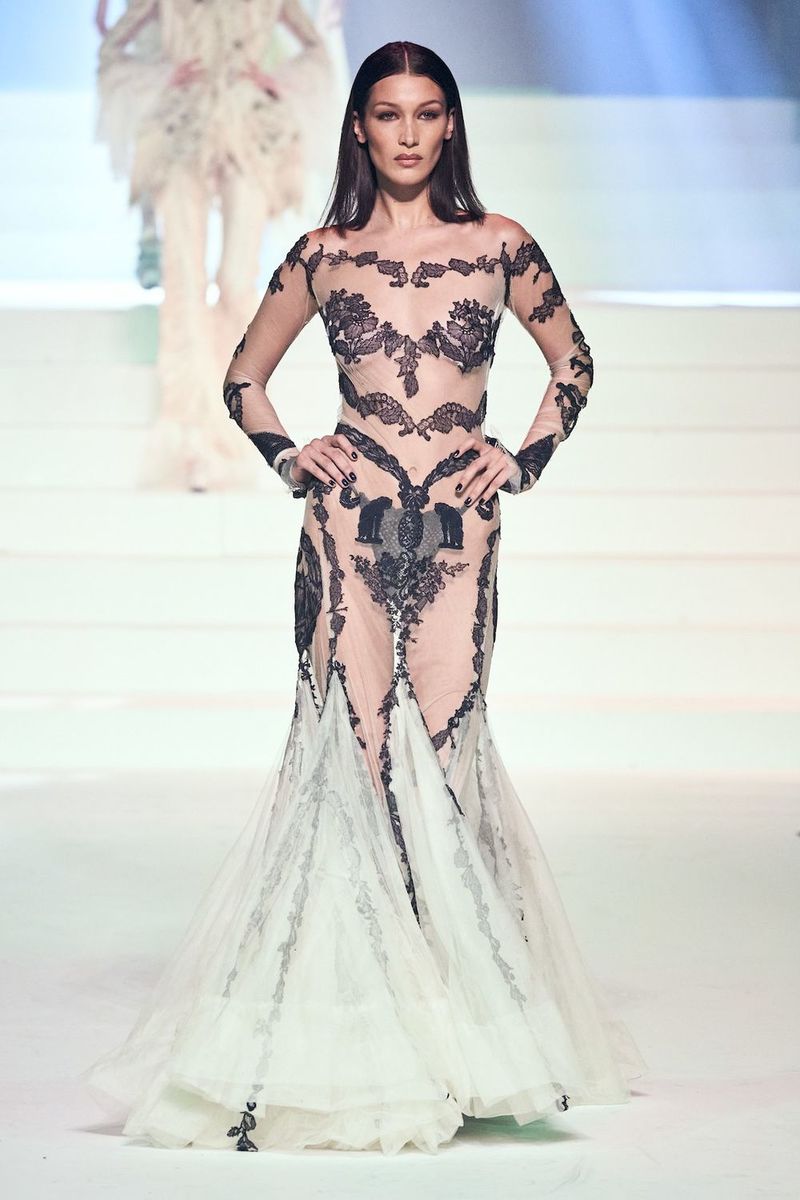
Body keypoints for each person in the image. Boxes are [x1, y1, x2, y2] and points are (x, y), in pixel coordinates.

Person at [81, 40, 647, 1155]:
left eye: (426, 113)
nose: (407, 133)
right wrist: (293, 457)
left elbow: (573, 362)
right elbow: (242, 377)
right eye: (388, 114)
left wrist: (519, 459)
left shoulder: (498, 245)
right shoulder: (323, 254)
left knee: (444, 755)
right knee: (352, 758)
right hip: (345, 533)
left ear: (451, 125)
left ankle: (460, 1037)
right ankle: (351, 1034)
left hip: (459, 536)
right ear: (357, 127)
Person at [97, 0, 334, 492]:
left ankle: (227, 434)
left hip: (249, 129)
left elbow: (315, 49)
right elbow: (113, 46)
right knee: (184, 277)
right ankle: (185, 429)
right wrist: (162, 75)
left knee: (235, 279)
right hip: (181, 127)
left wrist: (274, 82)